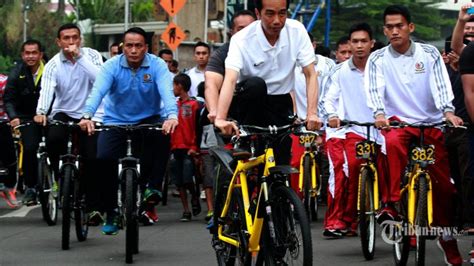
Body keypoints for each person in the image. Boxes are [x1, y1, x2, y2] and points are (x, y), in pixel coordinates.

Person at [365, 5, 463, 265]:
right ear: (385, 30)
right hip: (397, 123)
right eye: (389, 27)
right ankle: (393, 204)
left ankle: (446, 237)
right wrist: (379, 114)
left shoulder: (428, 53)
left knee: (444, 188)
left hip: (431, 124)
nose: (394, 31)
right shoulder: (377, 58)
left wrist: (448, 112)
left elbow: (440, 85)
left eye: (399, 26)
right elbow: (375, 89)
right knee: (391, 144)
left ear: (410, 27)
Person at [79, 27, 178, 235]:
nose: (133, 50)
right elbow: (97, 92)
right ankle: (112, 211)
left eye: (138, 46)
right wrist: (87, 115)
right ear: (123, 47)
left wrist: (171, 116)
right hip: (115, 121)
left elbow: (167, 93)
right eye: (129, 46)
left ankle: (153, 188)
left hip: (148, 119)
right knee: (103, 157)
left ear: (146, 48)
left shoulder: (158, 65)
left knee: (163, 138)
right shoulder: (112, 66)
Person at [214, 0, 322, 166]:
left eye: (282, 13)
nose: (277, 20)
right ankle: (243, 144)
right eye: (270, 14)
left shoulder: (297, 31)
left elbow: (310, 74)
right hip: (249, 101)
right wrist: (220, 118)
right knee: (257, 85)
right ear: (258, 14)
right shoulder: (242, 39)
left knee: (280, 166)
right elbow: (230, 79)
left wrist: (312, 113)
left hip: (280, 102)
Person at [34, 23, 105, 226]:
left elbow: (100, 80)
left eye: (75, 37)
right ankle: (60, 177)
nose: (71, 42)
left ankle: (93, 207)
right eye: (66, 38)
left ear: (80, 39)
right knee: (54, 139)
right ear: (59, 42)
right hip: (63, 112)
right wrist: (41, 112)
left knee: (92, 157)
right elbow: (47, 90)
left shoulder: (91, 55)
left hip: (90, 114)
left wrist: (79, 58)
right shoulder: (53, 64)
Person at [321, 23, 376, 237]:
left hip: (374, 131)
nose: (358, 47)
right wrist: (332, 117)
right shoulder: (338, 72)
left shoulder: (380, 67)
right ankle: (336, 220)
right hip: (340, 132)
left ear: (372, 44)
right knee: (342, 173)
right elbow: (327, 101)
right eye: (354, 43)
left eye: (364, 41)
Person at [4, 39, 45, 205]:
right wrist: (14, 117)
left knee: (59, 145)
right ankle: (31, 187)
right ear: (22, 55)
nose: (31, 56)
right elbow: (9, 98)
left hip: (50, 115)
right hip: (26, 117)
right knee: (29, 148)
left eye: (34, 53)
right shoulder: (16, 72)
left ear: (40, 54)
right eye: (27, 53)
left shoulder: (51, 69)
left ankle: (64, 182)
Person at [205, 9, 257, 124]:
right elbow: (211, 83)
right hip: (235, 107)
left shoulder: (269, 48)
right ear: (232, 32)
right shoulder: (222, 53)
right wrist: (215, 112)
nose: (246, 33)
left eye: (250, 28)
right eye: (241, 29)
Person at [169, 74, 201, 221]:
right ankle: (186, 209)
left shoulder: (194, 105)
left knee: (188, 178)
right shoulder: (173, 105)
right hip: (175, 146)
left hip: (188, 146)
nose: (173, 88)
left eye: (174, 85)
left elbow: (196, 126)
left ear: (180, 86)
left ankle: (194, 196)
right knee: (178, 180)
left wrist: (195, 146)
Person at [0, 74, 18, 208]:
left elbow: (10, 101)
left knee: (9, 156)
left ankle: (9, 187)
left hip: (3, 121)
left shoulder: (4, 81)